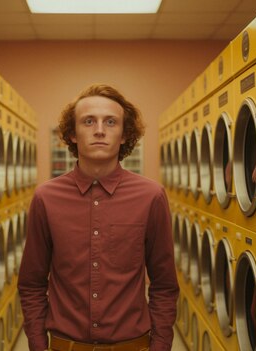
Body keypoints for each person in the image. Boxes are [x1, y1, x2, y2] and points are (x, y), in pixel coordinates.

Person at [18, 84, 179, 351]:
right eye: (89, 121)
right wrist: (38, 345)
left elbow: (164, 285)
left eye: (111, 122)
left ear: (125, 135)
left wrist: (160, 346)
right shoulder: (46, 198)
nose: (100, 130)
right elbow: (31, 284)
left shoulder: (151, 196)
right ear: (71, 133)